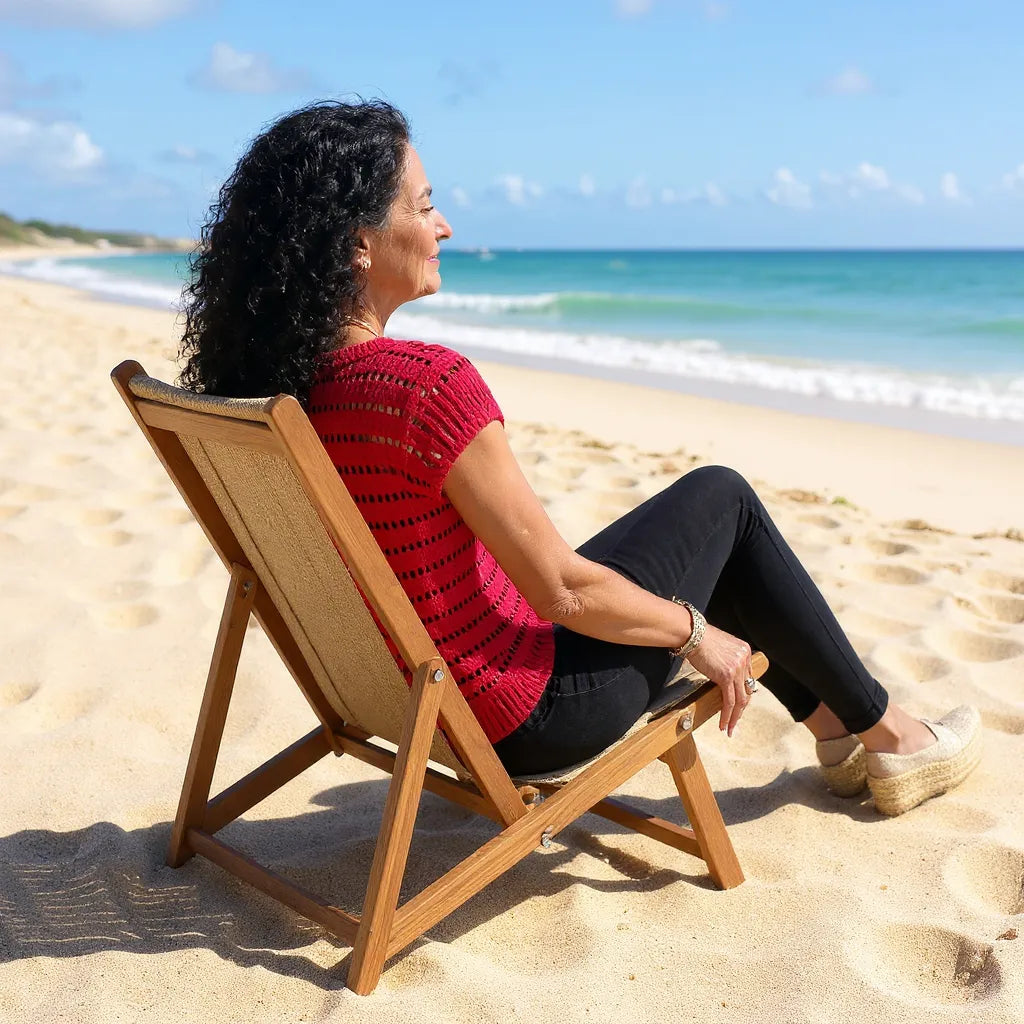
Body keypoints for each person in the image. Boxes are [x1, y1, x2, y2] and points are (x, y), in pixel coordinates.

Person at [177, 99, 982, 816]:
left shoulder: (285, 392)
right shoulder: (425, 386)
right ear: (358, 244)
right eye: (424, 206)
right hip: (526, 714)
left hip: (418, 699)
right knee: (723, 501)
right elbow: (561, 590)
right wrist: (697, 634)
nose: (444, 226)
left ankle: (841, 729)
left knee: (695, 535)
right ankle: (896, 739)